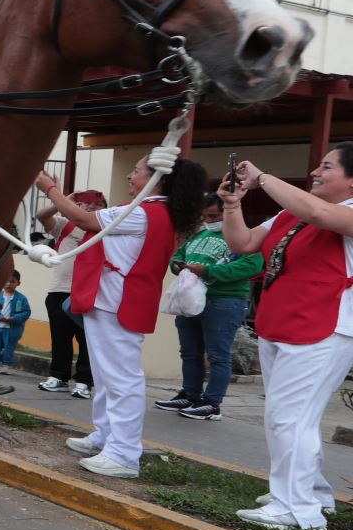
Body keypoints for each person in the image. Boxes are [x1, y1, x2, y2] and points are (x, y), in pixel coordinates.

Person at [36, 157, 207, 478]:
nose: (130, 174)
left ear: (157, 178)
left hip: (118, 303)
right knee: (106, 375)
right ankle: (106, 436)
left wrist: (51, 189)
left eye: (138, 170)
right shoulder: (152, 210)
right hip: (112, 301)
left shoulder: (142, 211)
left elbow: (83, 220)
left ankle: (124, 453)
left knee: (121, 379)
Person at [218, 148, 353, 530]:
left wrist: (263, 178)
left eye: (327, 166)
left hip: (324, 326)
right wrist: (232, 206)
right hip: (282, 323)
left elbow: (321, 215)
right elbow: (243, 243)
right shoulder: (290, 211)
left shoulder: (332, 211)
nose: (315, 171)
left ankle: (296, 509)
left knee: (288, 417)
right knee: (294, 417)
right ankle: (310, 492)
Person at [154, 192, 264, 421]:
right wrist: (178, 266)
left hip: (224, 301)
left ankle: (212, 403)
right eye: (205, 217)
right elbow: (179, 254)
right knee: (189, 352)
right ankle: (190, 394)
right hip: (192, 301)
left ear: (228, 211)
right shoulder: (201, 234)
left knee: (217, 355)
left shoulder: (246, 236)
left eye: (214, 216)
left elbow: (250, 267)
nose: (210, 221)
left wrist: (208, 271)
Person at [35, 189, 107, 398]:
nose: (91, 207)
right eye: (86, 204)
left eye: (98, 204)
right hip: (60, 290)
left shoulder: (107, 229)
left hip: (91, 293)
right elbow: (41, 216)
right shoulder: (66, 225)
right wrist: (62, 201)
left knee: (87, 340)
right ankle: (59, 377)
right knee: (60, 337)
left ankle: (84, 382)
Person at [0, 271, 32, 373]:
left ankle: (6, 365)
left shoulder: (21, 298)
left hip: (12, 330)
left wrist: (14, 318)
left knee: (9, 348)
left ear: (18, 283)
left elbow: (26, 312)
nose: (8, 284)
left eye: (12, 281)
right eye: (6, 281)